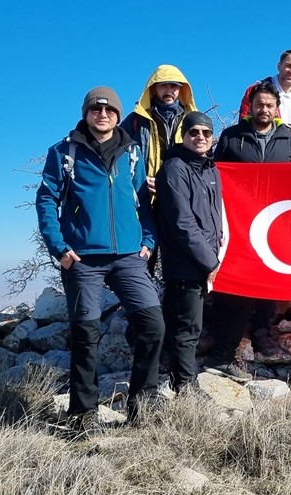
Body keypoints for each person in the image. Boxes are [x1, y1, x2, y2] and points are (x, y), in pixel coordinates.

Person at [35, 87, 165, 435]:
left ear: (118, 115)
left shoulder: (132, 152)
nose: (102, 114)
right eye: (96, 109)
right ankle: (83, 414)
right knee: (85, 334)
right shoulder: (65, 152)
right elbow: (47, 199)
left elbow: (143, 203)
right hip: (83, 258)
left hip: (129, 257)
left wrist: (148, 242)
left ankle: (143, 405)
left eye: (109, 109)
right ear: (86, 113)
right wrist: (60, 248)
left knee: (153, 325)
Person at [211, 80, 291, 363]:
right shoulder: (231, 136)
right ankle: (223, 332)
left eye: (269, 105)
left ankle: (261, 330)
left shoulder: (289, 138)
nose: (264, 109)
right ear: (250, 107)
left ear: (277, 108)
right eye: (259, 104)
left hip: (274, 218)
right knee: (234, 271)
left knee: (268, 272)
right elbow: (215, 175)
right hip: (238, 218)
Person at [154, 112, 224, 391]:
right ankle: (184, 388)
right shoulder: (174, 168)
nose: (201, 138)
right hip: (185, 263)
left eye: (206, 133)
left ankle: (171, 379)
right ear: (183, 136)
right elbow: (181, 222)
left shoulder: (210, 169)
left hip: (202, 261)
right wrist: (210, 260)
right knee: (188, 330)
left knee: (181, 325)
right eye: (194, 132)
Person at [121, 64, 199, 193]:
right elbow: (119, 157)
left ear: (181, 89)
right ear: (153, 89)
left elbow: (202, 159)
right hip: (145, 194)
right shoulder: (136, 120)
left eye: (174, 86)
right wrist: (140, 180)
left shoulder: (192, 120)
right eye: (163, 85)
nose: (169, 91)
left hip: (182, 194)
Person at [238, 49, 291, 154]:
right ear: (279, 66)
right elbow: (245, 122)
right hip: (260, 155)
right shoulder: (256, 90)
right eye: (288, 66)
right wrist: (285, 131)